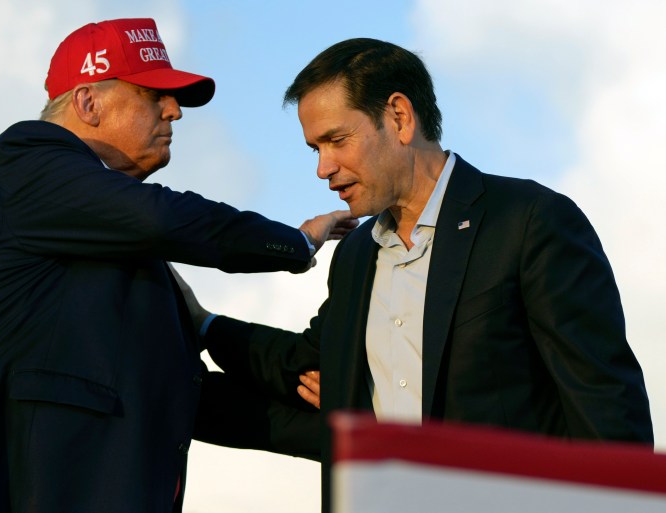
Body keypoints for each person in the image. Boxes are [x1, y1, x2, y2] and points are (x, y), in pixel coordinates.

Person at [0, 18, 356, 513]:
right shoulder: (23, 158)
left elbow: (182, 394)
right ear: (87, 102)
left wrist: (348, 432)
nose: (174, 111)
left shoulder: (114, 238)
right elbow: (163, 216)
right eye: (151, 95)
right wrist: (295, 241)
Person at [188, 38, 654, 513]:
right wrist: (203, 324)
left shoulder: (529, 221)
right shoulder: (353, 257)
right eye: (315, 148)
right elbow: (306, 365)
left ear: (399, 117)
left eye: (336, 140)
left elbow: (604, 404)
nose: (323, 167)